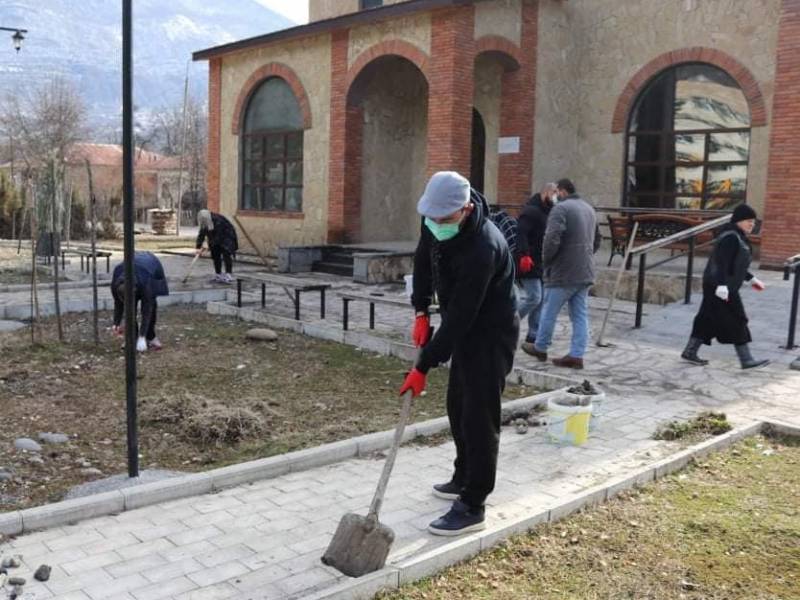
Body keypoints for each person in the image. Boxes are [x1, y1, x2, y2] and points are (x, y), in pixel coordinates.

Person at [400, 171, 519, 536]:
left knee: (479, 417)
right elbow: (424, 259)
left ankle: (473, 503)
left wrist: (424, 364)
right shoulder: (434, 216)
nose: (436, 224)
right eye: (431, 218)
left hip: (490, 332)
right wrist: (420, 308)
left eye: (444, 219)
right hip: (461, 323)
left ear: (466, 210)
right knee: (457, 407)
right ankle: (463, 474)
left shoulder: (484, 246)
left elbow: (464, 317)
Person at [681, 204, 769, 369]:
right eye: (748, 221)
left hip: (719, 285)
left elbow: (735, 265)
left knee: (707, 318)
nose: (752, 224)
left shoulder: (737, 236)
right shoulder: (730, 237)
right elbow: (721, 263)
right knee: (738, 318)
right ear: (738, 221)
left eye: (753, 222)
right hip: (721, 287)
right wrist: (721, 286)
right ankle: (746, 359)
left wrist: (751, 279)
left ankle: (690, 351)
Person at [526, 178, 600, 369]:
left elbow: (551, 239)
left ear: (562, 191)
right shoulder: (588, 208)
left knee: (549, 310)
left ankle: (540, 347)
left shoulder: (560, 210)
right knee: (580, 314)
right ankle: (577, 355)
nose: (554, 196)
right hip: (585, 270)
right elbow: (597, 240)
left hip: (563, 271)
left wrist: (546, 261)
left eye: (556, 192)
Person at [517, 182, 558, 355]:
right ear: (546, 192)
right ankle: (508, 319)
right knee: (534, 297)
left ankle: (533, 335)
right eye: (554, 192)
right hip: (529, 261)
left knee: (540, 301)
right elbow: (521, 233)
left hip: (541, 262)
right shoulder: (531, 211)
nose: (556, 196)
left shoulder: (548, 212)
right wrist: (524, 254)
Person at [111, 251, 169, 352]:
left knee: (150, 307)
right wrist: (116, 323)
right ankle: (133, 338)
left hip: (151, 269)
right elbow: (118, 304)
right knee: (130, 310)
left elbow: (147, 310)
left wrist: (142, 336)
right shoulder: (116, 281)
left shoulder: (146, 284)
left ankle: (150, 337)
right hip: (137, 270)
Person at [196, 209, 239, 284]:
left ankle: (228, 275)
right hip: (216, 238)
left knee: (226, 254)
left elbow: (219, 235)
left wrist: (209, 245)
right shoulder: (205, 222)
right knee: (215, 254)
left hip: (227, 236)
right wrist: (198, 247)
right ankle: (218, 275)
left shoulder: (218, 220)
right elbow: (201, 234)